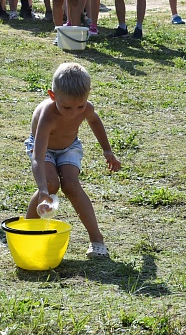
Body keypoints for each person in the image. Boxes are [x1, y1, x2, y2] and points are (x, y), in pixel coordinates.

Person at [24, 63, 121, 259]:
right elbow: (38, 156)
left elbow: (94, 120)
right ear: (53, 95)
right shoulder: (47, 116)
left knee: (71, 184)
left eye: (80, 106)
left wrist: (107, 151)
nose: (74, 112)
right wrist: (43, 190)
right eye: (67, 106)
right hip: (44, 149)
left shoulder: (85, 109)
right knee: (51, 184)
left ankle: (97, 240)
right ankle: (27, 233)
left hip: (70, 147)